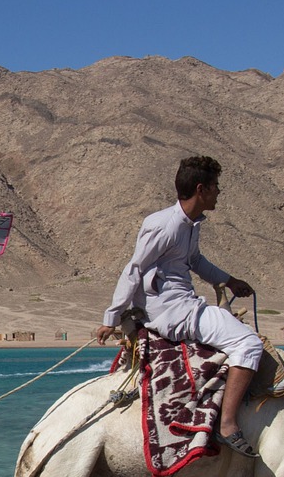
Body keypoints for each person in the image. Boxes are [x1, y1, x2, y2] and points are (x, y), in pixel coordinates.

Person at [95, 155, 265, 457]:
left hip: (184, 304)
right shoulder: (165, 226)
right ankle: (227, 425)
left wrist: (229, 280)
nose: (218, 192)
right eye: (215, 187)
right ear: (201, 189)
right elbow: (134, 269)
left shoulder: (190, 225)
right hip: (174, 311)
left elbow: (195, 261)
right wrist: (111, 317)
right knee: (249, 344)